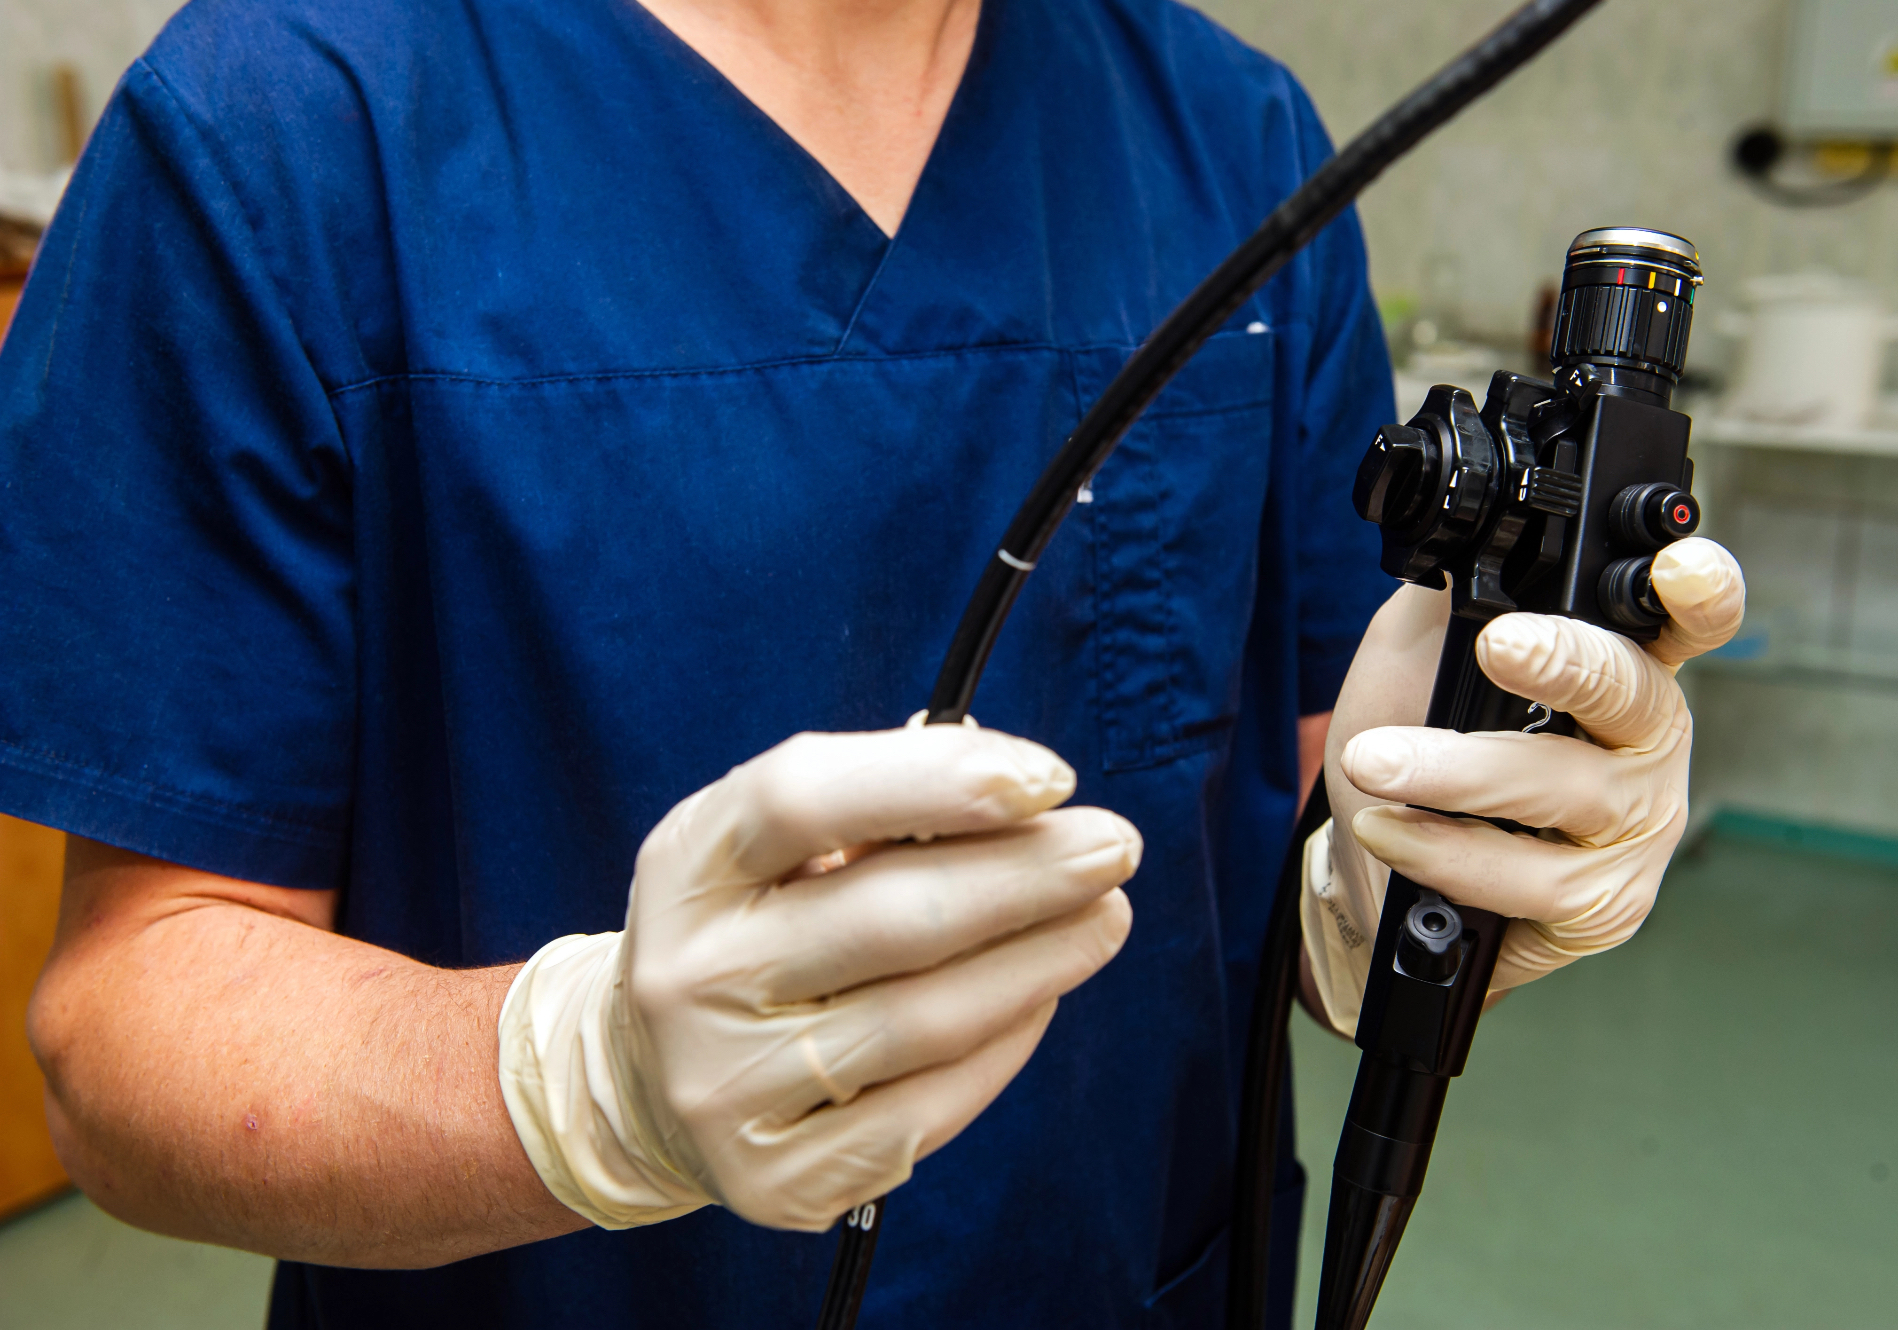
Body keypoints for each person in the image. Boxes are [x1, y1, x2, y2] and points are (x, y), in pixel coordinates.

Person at [1, 0, 1744, 1324]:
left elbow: (1291, 825)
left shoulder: (1232, 138)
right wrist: (575, 1080)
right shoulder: (291, 123)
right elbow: (131, 1025)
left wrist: (1436, 857)